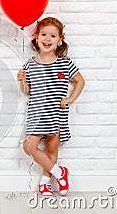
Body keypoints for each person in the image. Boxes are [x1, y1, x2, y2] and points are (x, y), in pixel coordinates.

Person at [17, 17, 85, 197]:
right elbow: (28, 91)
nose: (47, 39)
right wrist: (22, 82)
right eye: (44, 34)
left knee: (51, 148)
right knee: (29, 147)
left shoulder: (65, 63)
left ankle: (45, 183)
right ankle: (59, 172)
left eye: (52, 36)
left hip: (57, 114)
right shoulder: (30, 65)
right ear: (36, 37)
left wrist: (70, 98)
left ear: (60, 39)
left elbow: (80, 81)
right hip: (37, 115)